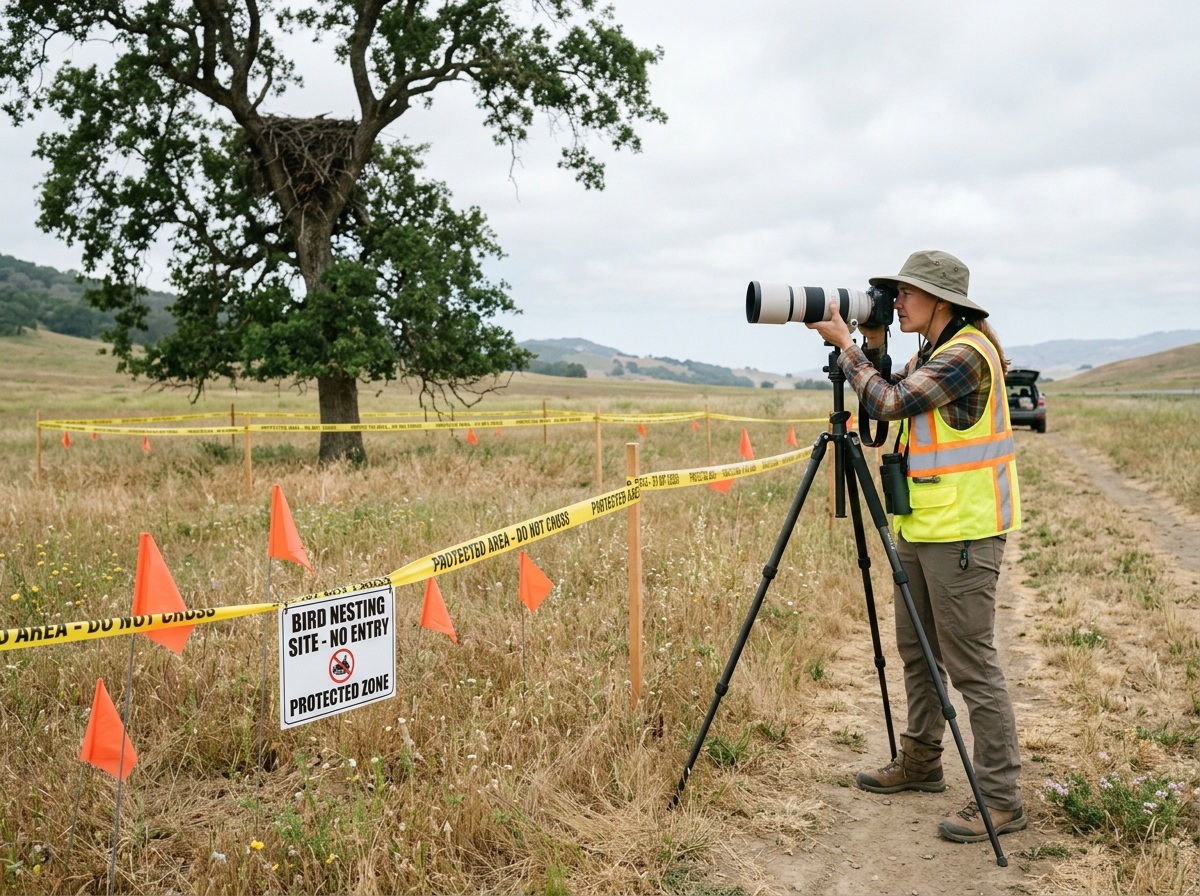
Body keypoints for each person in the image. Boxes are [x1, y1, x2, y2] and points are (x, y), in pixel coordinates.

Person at [806, 249, 1025, 844]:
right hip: (922, 526)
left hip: (964, 532)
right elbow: (885, 408)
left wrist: (845, 347)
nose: (895, 301)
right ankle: (922, 761)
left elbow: (887, 403)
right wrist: (871, 346)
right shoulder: (930, 352)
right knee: (918, 653)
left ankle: (1001, 798)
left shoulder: (965, 355)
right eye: (893, 294)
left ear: (941, 301)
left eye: (904, 293)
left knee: (970, 665)